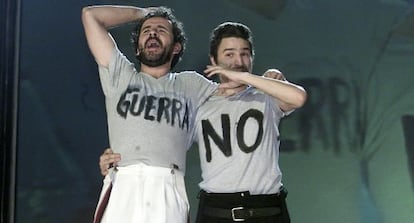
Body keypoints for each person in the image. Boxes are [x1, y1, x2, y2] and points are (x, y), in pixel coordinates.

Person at [99, 22, 307, 223]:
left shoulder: (265, 96)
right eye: (229, 54)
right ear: (213, 61)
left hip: (266, 209)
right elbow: (160, 139)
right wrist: (118, 156)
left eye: (244, 54)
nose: (238, 61)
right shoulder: (201, 103)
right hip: (216, 210)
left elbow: (298, 97)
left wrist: (250, 78)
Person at [81, 5, 241, 223]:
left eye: (161, 30)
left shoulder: (190, 83)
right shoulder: (120, 74)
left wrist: (272, 76)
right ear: (137, 48)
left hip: (167, 184)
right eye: (146, 31)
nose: (153, 33)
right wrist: (144, 14)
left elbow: (236, 89)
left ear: (176, 47)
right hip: (123, 181)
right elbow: (91, 16)